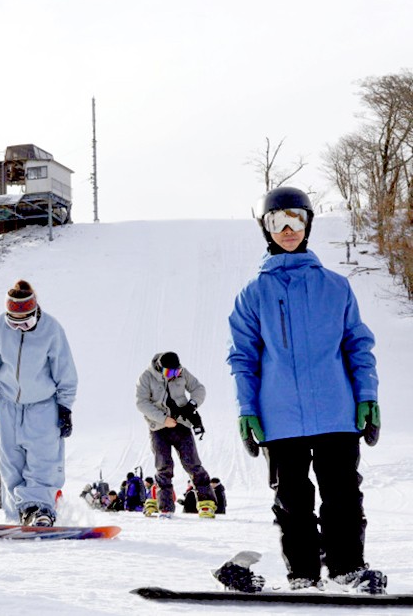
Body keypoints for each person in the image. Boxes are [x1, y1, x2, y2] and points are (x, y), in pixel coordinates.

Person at [227, 186, 385, 593]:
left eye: (296, 219)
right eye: (277, 221)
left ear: (308, 223)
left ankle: (348, 569)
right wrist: (247, 409)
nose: (288, 229)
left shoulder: (336, 286)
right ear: (266, 228)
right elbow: (242, 358)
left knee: (343, 496)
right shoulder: (253, 294)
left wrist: (367, 395)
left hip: (337, 410)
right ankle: (302, 574)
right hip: (280, 417)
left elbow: (357, 346)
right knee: (293, 503)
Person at [0, 279, 78, 527]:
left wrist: (64, 408)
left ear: (36, 312)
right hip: (7, 405)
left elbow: (66, 373)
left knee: (43, 460)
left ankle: (40, 509)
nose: (20, 327)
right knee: (11, 463)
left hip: (43, 406)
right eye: (14, 322)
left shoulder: (52, 329)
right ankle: (17, 515)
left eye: (26, 322)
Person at [135, 351, 218, 518]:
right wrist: (163, 419)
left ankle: (206, 503)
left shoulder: (182, 372)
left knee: (192, 463)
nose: (172, 376)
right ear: (160, 368)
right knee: (163, 466)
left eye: (176, 372)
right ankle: (165, 507)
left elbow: (198, 388)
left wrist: (192, 404)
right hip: (158, 428)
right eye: (168, 372)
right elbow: (141, 403)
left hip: (181, 425)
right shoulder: (146, 377)